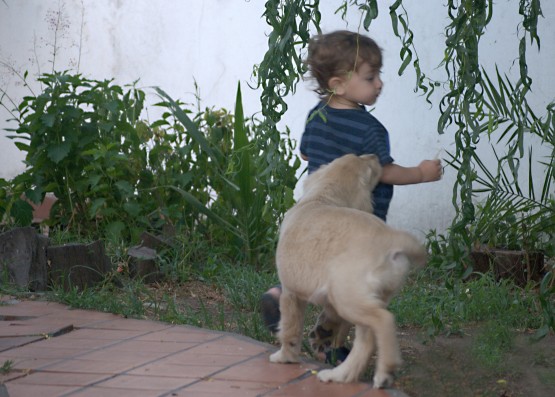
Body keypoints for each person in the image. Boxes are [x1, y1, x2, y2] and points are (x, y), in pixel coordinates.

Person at [260, 30, 442, 364]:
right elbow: (384, 172)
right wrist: (420, 173)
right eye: (371, 77)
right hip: (353, 223)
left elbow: (304, 154)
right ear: (338, 84)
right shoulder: (370, 129)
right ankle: (332, 343)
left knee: (311, 268)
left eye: (378, 76)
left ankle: (281, 295)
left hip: (316, 219)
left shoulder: (317, 115)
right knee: (349, 280)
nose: (379, 84)